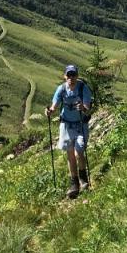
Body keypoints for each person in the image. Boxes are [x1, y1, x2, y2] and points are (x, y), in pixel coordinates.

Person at [46, 64, 92, 198]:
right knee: (70, 154)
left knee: (79, 152)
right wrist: (50, 111)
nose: (71, 78)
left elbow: (87, 107)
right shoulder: (61, 89)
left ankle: (83, 179)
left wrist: (82, 108)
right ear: (65, 76)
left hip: (80, 124)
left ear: (77, 76)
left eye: (73, 75)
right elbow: (54, 105)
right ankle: (75, 184)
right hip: (66, 125)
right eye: (69, 75)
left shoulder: (83, 87)